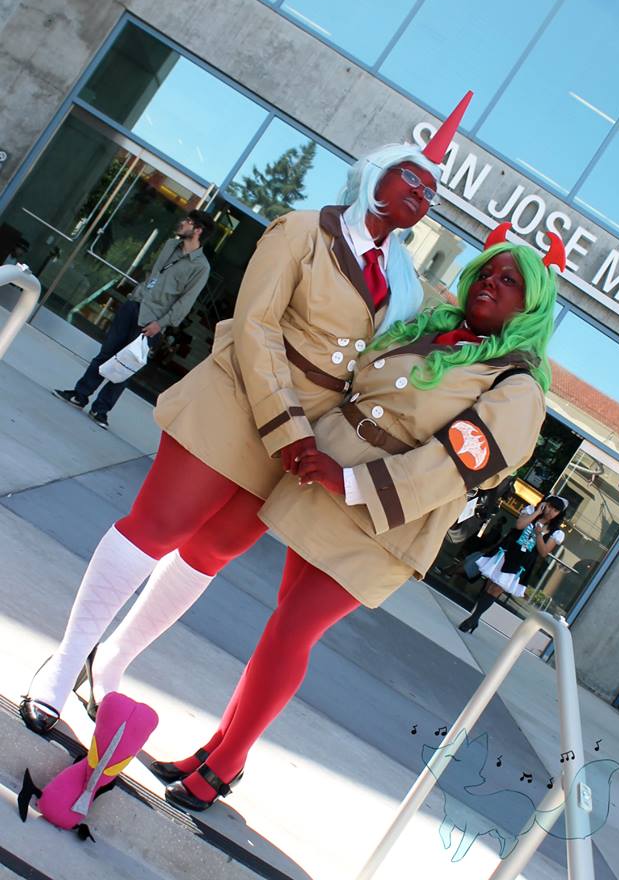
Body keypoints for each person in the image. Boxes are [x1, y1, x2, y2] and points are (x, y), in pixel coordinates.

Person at [19, 92, 473, 742]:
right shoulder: (300, 232)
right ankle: (63, 666)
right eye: (413, 180)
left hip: (301, 444)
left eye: (431, 194)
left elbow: (444, 332)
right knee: (157, 527)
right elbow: (256, 327)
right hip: (239, 402)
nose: (422, 197)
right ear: (378, 174)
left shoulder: (405, 284)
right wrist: (289, 427)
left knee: (211, 553)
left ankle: (110, 665)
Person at [151, 223, 565, 813]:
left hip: (384, 519)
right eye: (489, 271)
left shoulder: (518, 387)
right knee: (282, 628)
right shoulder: (433, 330)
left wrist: (350, 481)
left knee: (290, 632)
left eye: (512, 281)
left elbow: (453, 466)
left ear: (534, 307)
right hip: (325, 479)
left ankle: (224, 764)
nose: (492, 283)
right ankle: (218, 750)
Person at [52, 210, 212, 429]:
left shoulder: (201, 267)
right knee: (106, 354)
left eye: (188, 222)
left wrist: (160, 324)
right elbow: (154, 275)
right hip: (133, 306)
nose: (182, 223)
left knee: (126, 366)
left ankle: (101, 410)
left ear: (198, 230)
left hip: (152, 321)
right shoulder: (169, 246)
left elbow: (185, 303)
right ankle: (80, 395)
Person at [458, 495, 568, 633]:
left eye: (556, 510)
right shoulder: (530, 511)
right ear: (545, 504)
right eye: (550, 506)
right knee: (489, 585)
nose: (551, 511)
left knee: (496, 589)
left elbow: (544, 552)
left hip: (520, 562)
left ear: (559, 514)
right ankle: (474, 618)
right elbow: (519, 525)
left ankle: (473, 619)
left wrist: (539, 534)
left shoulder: (556, 532)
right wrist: (537, 513)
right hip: (506, 553)